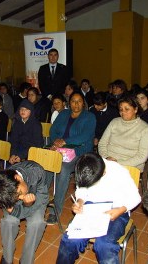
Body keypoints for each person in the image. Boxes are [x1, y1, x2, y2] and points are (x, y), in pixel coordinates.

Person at [56, 153, 141, 264]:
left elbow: (136, 197)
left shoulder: (119, 172)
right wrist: (80, 201)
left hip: (117, 209)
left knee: (105, 245)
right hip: (91, 208)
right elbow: (81, 189)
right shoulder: (85, 168)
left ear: (103, 173)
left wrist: (121, 210)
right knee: (69, 240)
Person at [46, 92, 96, 225]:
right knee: (44, 164)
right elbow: (53, 131)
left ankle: (55, 210)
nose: (76, 104)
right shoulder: (63, 114)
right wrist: (55, 143)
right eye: (73, 101)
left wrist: (64, 141)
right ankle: (40, 199)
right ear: (69, 103)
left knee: (63, 169)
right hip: (58, 149)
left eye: (79, 101)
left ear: (83, 103)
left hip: (79, 152)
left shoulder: (89, 117)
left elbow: (85, 136)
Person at [0, 160, 48, 264]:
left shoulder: (37, 172)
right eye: (17, 197)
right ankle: (7, 258)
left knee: (37, 223)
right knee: (8, 221)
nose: (20, 197)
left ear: (18, 178)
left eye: (19, 193)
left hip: (37, 199)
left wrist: (27, 205)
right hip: (16, 205)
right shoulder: (3, 184)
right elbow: (9, 205)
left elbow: (43, 197)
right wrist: (17, 207)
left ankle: (26, 261)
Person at [98, 95, 148, 172]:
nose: (123, 112)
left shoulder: (144, 128)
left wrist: (117, 163)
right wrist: (106, 158)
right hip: (108, 162)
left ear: (135, 109)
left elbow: (142, 156)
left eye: (127, 109)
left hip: (130, 166)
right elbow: (102, 143)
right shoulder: (114, 122)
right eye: (121, 110)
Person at [8, 99, 43, 165]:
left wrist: (21, 156)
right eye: (21, 109)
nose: (23, 111)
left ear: (31, 112)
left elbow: (36, 144)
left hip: (32, 150)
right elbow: (14, 140)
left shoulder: (36, 125)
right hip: (19, 149)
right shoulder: (16, 123)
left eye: (26, 109)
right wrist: (13, 154)